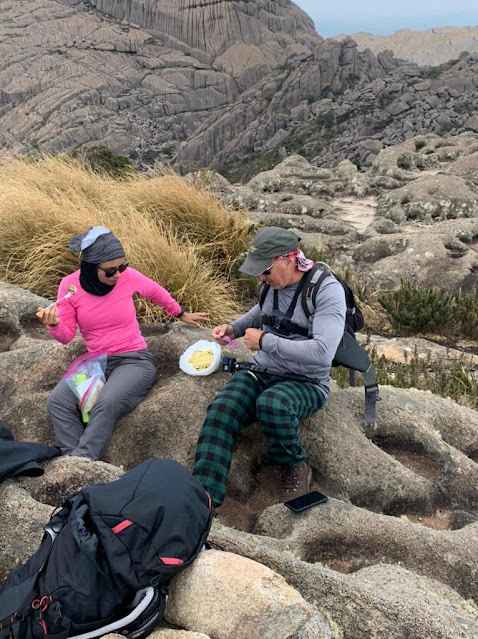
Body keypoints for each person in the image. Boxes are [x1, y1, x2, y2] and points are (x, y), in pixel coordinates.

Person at [192, 227, 346, 507]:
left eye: (265, 271)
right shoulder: (270, 284)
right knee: (221, 411)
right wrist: (235, 328)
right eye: (258, 273)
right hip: (261, 370)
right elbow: (261, 311)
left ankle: (295, 463)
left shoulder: (326, 290)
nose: (260, 278)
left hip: (307, 381)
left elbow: (323, 354)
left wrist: (265, 341)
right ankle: (203, 501)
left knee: (272, 404)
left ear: (288, 260)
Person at [37, 226, 207, 460]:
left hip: (134, 361)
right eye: (110, 271)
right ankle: (74, 463)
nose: (118, 274)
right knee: (58, 402)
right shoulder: (70, 286)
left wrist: (180, 313)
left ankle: (82, 461)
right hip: (96, 364)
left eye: (122, 266)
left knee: (106, 402)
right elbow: (66, 337)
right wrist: (54, 324)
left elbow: (155, 291)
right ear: (90, 266)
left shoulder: (128, 277)